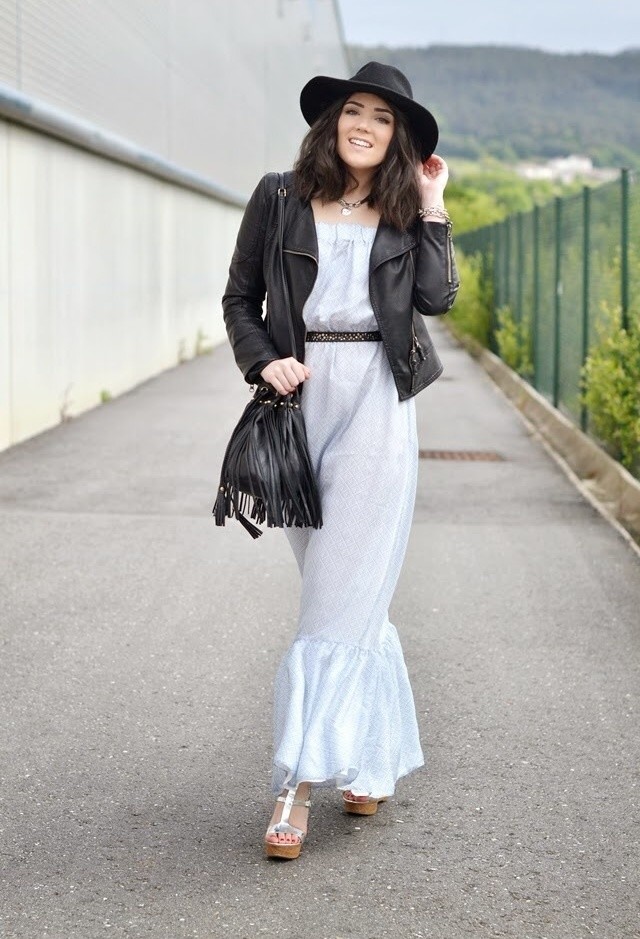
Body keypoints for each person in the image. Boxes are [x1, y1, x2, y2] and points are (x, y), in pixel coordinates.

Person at [222, 61, 459, 860]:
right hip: (298, 402)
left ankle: (296, 781)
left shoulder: (402, 208)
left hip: (377, 405)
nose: (364, 124)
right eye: (353, 111)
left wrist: (433, 208)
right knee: (348, 594)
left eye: (382, 118)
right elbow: (239, 297)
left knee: (333, 596)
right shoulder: (279, 196)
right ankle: (375, 757)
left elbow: (435, 300)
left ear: (399, 138)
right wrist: (264, 361)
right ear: (331, 123)